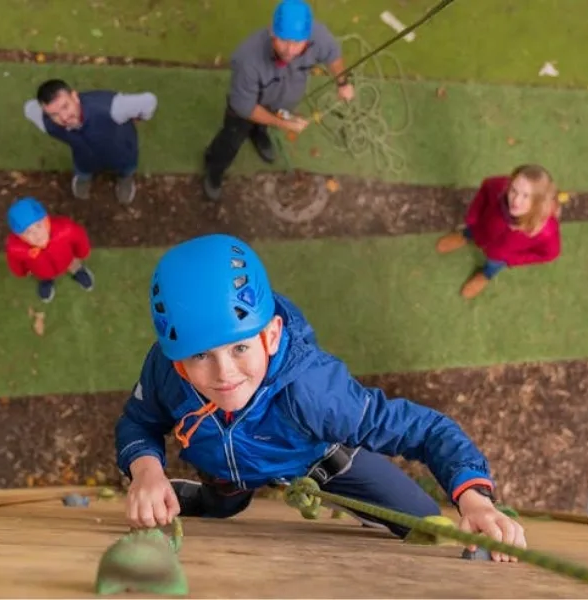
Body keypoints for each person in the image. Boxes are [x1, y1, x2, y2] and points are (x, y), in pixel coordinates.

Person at [114, 233, 527, 562]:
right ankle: (207, 498)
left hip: (324, 465)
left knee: (424, 526)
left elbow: (425, 430)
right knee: (223, 507)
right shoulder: (166, 368)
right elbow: (139, 421)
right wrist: (147, 469)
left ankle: (359, 508)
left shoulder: (314, 392)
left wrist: (473, 497)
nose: (224, 376)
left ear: (272, 335)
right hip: (227, 469)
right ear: (177, 360)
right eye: (201, 356)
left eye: (240, 348)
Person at [202, 0, 355, 202]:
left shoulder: (317, 36)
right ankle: (214, 168)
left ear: (307, 37)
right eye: (283, 40)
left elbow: (333, 54)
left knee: (263, 127)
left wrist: (342, 83)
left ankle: (259, 134)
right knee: (231, 140)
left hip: (279, 103)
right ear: (271, 31)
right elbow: (245, 107)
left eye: (298, 42)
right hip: (245, 110)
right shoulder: (247, 58)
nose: (290, 50)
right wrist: (283, 123)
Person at [436, 164, 562, 299]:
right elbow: (486, 188)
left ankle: (485, 275)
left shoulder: (546, 231)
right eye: (514, 190)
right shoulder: (498, 187)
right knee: (471, 232)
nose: (516, 201)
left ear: (539, 201)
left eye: (526, 196)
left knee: (493, 265)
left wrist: (512, 259)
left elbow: (549, 255)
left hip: (500, 256)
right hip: (481, 229)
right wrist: (473, 218)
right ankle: (464, 236)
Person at [23, 79, 158, 205]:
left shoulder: (110, 108)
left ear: (75, 97)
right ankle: (83, 178)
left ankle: (125, 179)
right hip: (84, 158)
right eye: (54, 114)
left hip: (122, 150)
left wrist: (142, 117)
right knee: (83, 169)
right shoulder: (48, 124)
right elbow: (29, 108)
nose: (63, 117)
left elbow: (149, 101)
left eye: (65, 106)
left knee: (127, 168)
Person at [5, 196, 94, 303]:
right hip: (41, 269)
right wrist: (21, 272)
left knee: (73, 264)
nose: (37, 234)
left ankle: (78, 272)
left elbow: (80, 237)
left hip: (67, 258)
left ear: (46, 220)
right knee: (43, 274)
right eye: (28, 232)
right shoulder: (16, 248)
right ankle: (46, 282)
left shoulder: (65, 229)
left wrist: (82, 253)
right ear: (20, 236)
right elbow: (14, 261)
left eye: (38, 226)